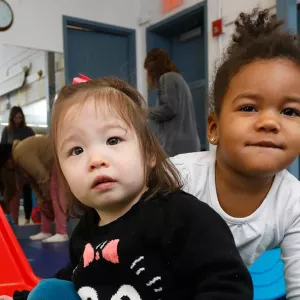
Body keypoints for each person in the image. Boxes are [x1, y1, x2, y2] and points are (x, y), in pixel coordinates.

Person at [1, 77, 253, 300]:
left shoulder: (181, 216)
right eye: (76, 150)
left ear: (149, 153)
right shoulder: (85, 232)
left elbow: (227, 283)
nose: (95, 160)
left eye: (113, 140)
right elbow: (73, 276)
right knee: (48, 292)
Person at [169, 8, 300, 299]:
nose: (269, 122)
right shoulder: (179, 177)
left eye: (290, 111)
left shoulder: (294, 204)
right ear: (214, 128)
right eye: (249, 108)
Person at [0, 136, 68, 243]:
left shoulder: (20, 155)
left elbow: (42, 176)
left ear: (8, 159)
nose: (8, 169)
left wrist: (47, 199)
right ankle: (45, 230)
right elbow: (34, 183)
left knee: (55, 192)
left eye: (6, 166)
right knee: (46, 200)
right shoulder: (19, 161)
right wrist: (42, 202)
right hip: (50, 162)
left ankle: (62, 232)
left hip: (58, 158)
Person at [144, 48, 200, 156]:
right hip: (186, 146)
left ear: (152, 68)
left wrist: (143, 112)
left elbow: (169, 109)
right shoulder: (178, 79)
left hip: (176, 148)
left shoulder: (167, 78)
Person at [1, 106, 35, 224]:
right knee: (13, 194)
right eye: (16, 118)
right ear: (12, 118)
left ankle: (27, 218)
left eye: (20, 118)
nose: (18, 120)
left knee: (27, 192)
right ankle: (11, 219)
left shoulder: (28, 131)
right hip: (11, 167)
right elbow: (3, 149)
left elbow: (33, 148)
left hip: (26, 166)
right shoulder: (7, 131)